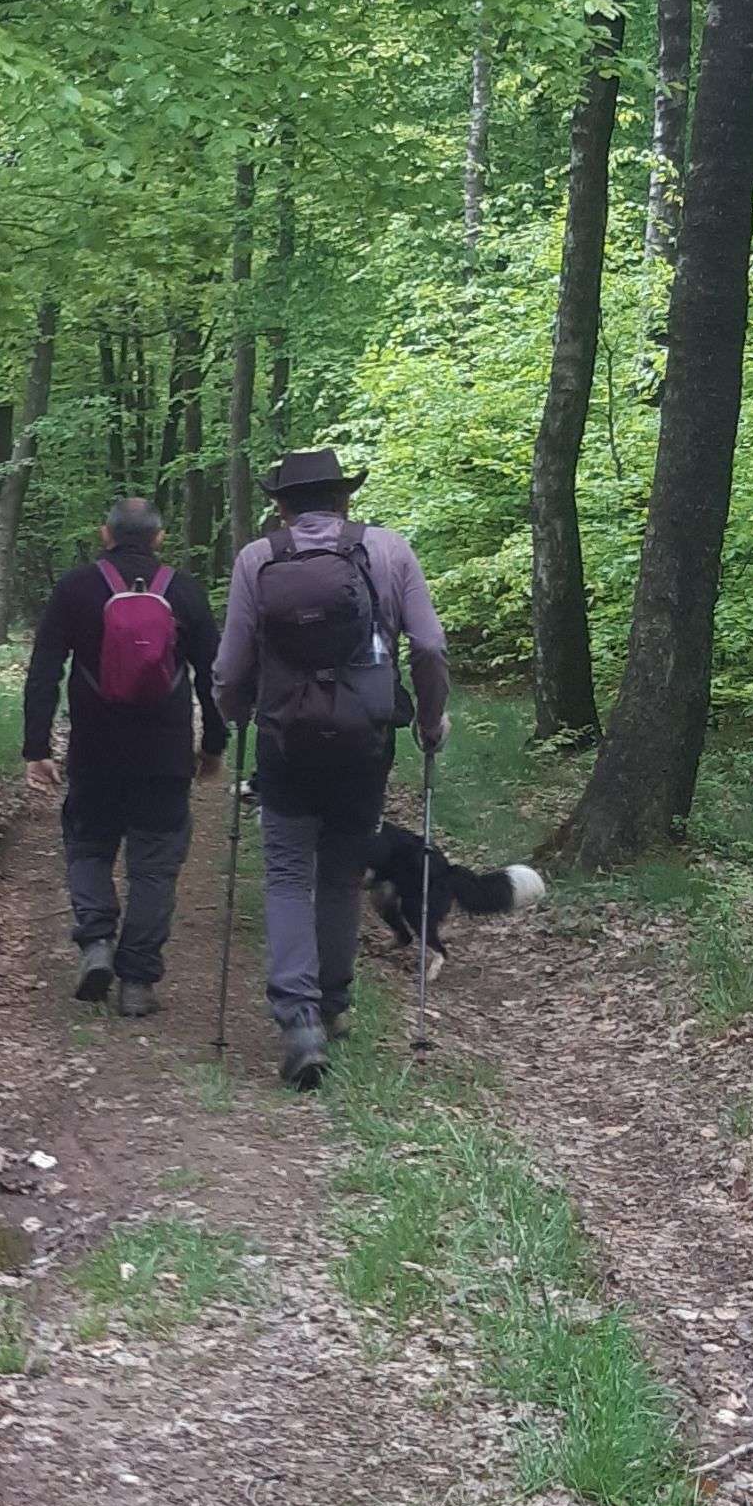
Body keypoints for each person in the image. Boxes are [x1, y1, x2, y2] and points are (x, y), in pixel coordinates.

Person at [212, 446, 448, 1092]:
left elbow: (230, 668)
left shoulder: (257, 559)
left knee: (289, 874)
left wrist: (235, 713)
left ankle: (300, 1022)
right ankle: (335, 1003)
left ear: (281, 507)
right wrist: (430, 722)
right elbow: (429, 646)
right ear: (345, 499)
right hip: (364, 744)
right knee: (342, 874)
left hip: (285, 742)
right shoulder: (390, 551)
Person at [23, 495, 226, 1020]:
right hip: (164, 756)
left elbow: (45, 668)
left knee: (88, 848)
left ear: (105, 534)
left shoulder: (76, 588)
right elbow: (213, 676)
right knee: (154, 867)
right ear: (159, 538)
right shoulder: (184, 590)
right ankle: (137, 982)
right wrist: (214, 744)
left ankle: (96, 942)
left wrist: (37, 747)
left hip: (95, 752)